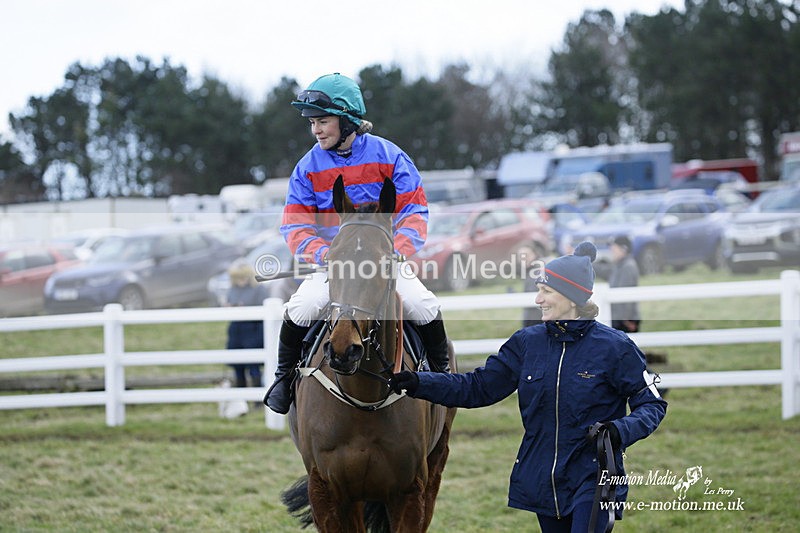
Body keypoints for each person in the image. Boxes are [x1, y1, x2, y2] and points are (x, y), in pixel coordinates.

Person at [389, 241, 667, 532]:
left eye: (546, 291)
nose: (538, 299)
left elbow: (652, 404)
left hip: (595, 477)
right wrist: (419, 382)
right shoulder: (526, 343)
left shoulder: (616, 348)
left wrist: (619, 431)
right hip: (542, 479)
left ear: (572, 297)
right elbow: (477, 388)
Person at [264, 73, 450, 414]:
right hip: (335, 265)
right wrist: (325, 255)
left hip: (383, 262)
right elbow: (295, 224)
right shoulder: (307, 167)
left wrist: (397, 253)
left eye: (323, 121)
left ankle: (443, 377)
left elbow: (414, 211)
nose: (316, 130)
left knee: (423, 304)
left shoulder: (390, 156)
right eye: (313, 123)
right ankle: (284, 378)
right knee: (302, 307)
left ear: (347, 120)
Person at [224, 259, 269, 389]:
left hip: (253, 329)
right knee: (237, 364)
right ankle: (241, 394)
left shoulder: (259, 288)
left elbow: (262, 308)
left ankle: (257, 396)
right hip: (236, 330)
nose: (240, 280)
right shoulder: (233, 289)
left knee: (253, 364)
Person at [607, 235, 641, 334]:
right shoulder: (619, 266)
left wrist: (626, 320)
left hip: (625, 321)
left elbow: (625, 296)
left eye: (614, 248)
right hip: (621, 319)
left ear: (623, 249)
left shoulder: (627, 267)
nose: (611, 251)